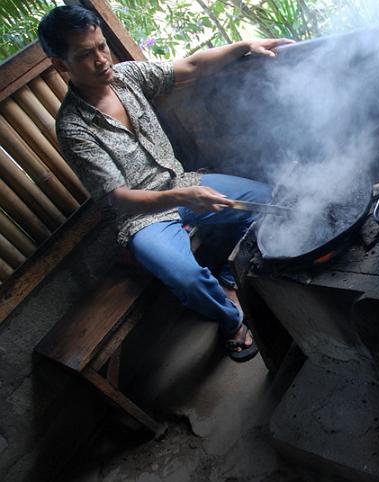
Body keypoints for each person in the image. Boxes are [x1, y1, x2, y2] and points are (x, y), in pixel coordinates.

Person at [38, 5, 293, 361]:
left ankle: (228, 275)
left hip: (183, 182)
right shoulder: (73, 128)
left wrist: (243, 45)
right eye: (85, 54)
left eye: (101, 46)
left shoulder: (126, 76)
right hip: (143, 218)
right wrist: (183, 196)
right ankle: (231, 320)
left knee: (264, 202)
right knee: (185, 277)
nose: (101, 59)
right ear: (60, 66)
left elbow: (190, 66)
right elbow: (119, 198)